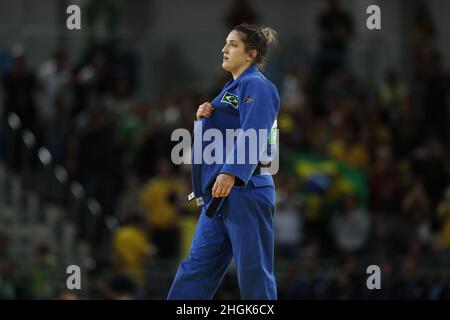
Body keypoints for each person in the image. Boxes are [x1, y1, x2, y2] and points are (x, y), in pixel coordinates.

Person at [167, 24, 280, 300]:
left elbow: (254, 131)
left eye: (232, 44)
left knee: (253, 272)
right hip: (219, 195)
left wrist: (230, 172)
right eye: (225, 43)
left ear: (251, 54)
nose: (224, 49)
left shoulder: (258, 85)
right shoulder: (232, 87)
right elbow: (226, 133)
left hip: (246, 188)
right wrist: (206, 116)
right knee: (196, 268)